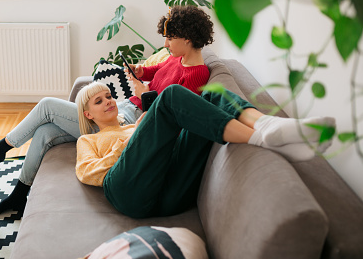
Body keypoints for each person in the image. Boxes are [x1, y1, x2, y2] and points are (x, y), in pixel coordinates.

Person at [0, 5, 214, 216]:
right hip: (126, 106)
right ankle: (18, 196)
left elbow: (171, 118)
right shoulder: (177, 58)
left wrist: (145, 94)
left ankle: (2, 147)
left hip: (130, 121)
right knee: (45, 131)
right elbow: (155, 70)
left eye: (170, 39)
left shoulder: (198, 74)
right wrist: (139, 71)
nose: (165, 44)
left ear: (187, 38)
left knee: (47, 105)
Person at [75, 81, 335, 218]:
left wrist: (143, 129)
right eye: (99, 101)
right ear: (88, 114)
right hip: (128, 193)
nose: (108, 101)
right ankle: (264, 139)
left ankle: (267, 127)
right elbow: (88, 172)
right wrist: (128, 145)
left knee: (212, 94)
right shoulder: (88, 140)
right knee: (171, 95)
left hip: (169, 196)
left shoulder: (133, 125)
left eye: (109, 96)